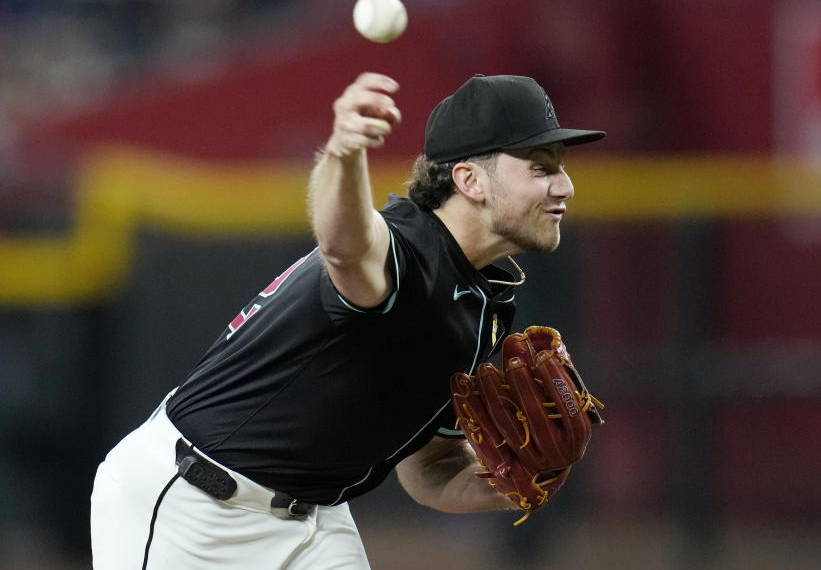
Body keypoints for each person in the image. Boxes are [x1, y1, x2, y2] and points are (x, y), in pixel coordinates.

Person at [89, 72, 605, 569]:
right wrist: (342, 151)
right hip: (194, 506)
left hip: (315, 520)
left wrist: (511, 481)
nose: (565, 186)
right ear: (469, 179)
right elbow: (344, 245)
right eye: (541, 167)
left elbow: (431, 469)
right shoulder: (404, 253)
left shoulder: (482, 306)